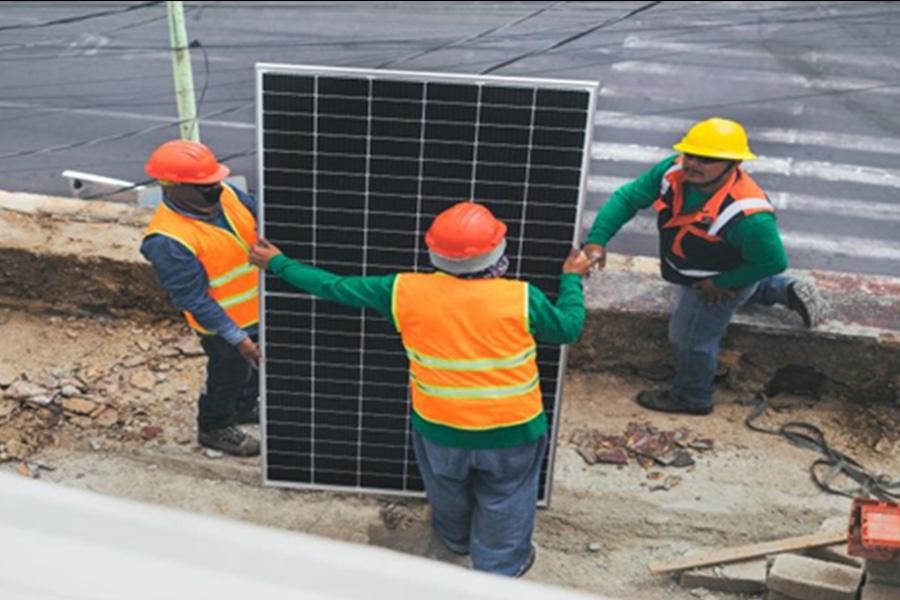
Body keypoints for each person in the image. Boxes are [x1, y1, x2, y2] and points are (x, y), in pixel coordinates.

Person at [249, 201, 591, 577]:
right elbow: (568, 328)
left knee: (447, 488)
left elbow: (334, 287)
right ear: (497, 252)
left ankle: (455, 540)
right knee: (507, 498)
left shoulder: (403, 291)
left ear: (434, 252)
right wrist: (572, 279)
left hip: (439, 428)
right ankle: (501, 568)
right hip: (512, 431)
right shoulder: (522, 298)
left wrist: (279, 263)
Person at [583, 117, 823, 416]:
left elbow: (773, 261)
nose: (694, 163)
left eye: (708, 159)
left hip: (714, 279)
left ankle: (691, 397)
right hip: (700, 267)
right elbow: (628, 197)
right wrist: (597, 241)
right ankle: (782, 290)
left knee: (690, 337)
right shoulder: (672, 171)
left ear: (733, 163)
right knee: (737, 293)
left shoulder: (748, 216)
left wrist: (721, 284)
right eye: (691, 154)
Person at [141, 139, 261, 456]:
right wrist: (237, 337)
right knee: (230, 371)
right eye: (204, 185)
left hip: (258, 309)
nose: (214, 189)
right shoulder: (168, 240)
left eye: (214, 180)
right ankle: (215, 426)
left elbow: (259, 213)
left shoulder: (229, 194)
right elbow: (192, 299)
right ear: (172, 187)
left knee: (253, 369)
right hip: (221, 325)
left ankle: (243, 407)